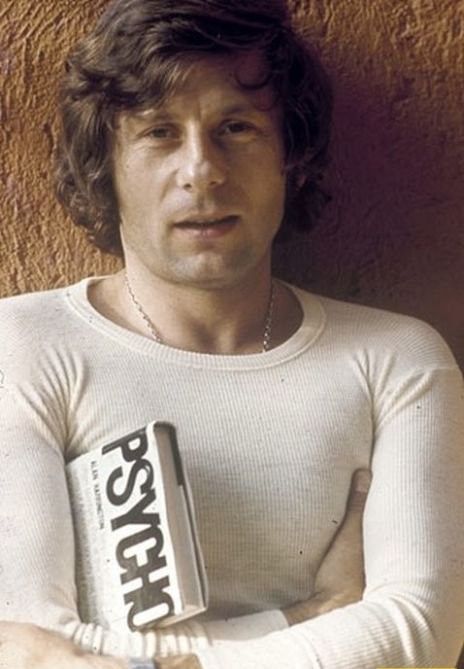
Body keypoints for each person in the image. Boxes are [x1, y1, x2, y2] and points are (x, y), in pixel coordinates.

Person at [0, 0, 463, 667]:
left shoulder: (396, 361)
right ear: (108, 165)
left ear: (290, 157)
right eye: (160, 132)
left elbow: (422, 633)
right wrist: (302, 618)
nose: (202, 170)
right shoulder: (23, 346)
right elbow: (26, 643)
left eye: (236, 128)